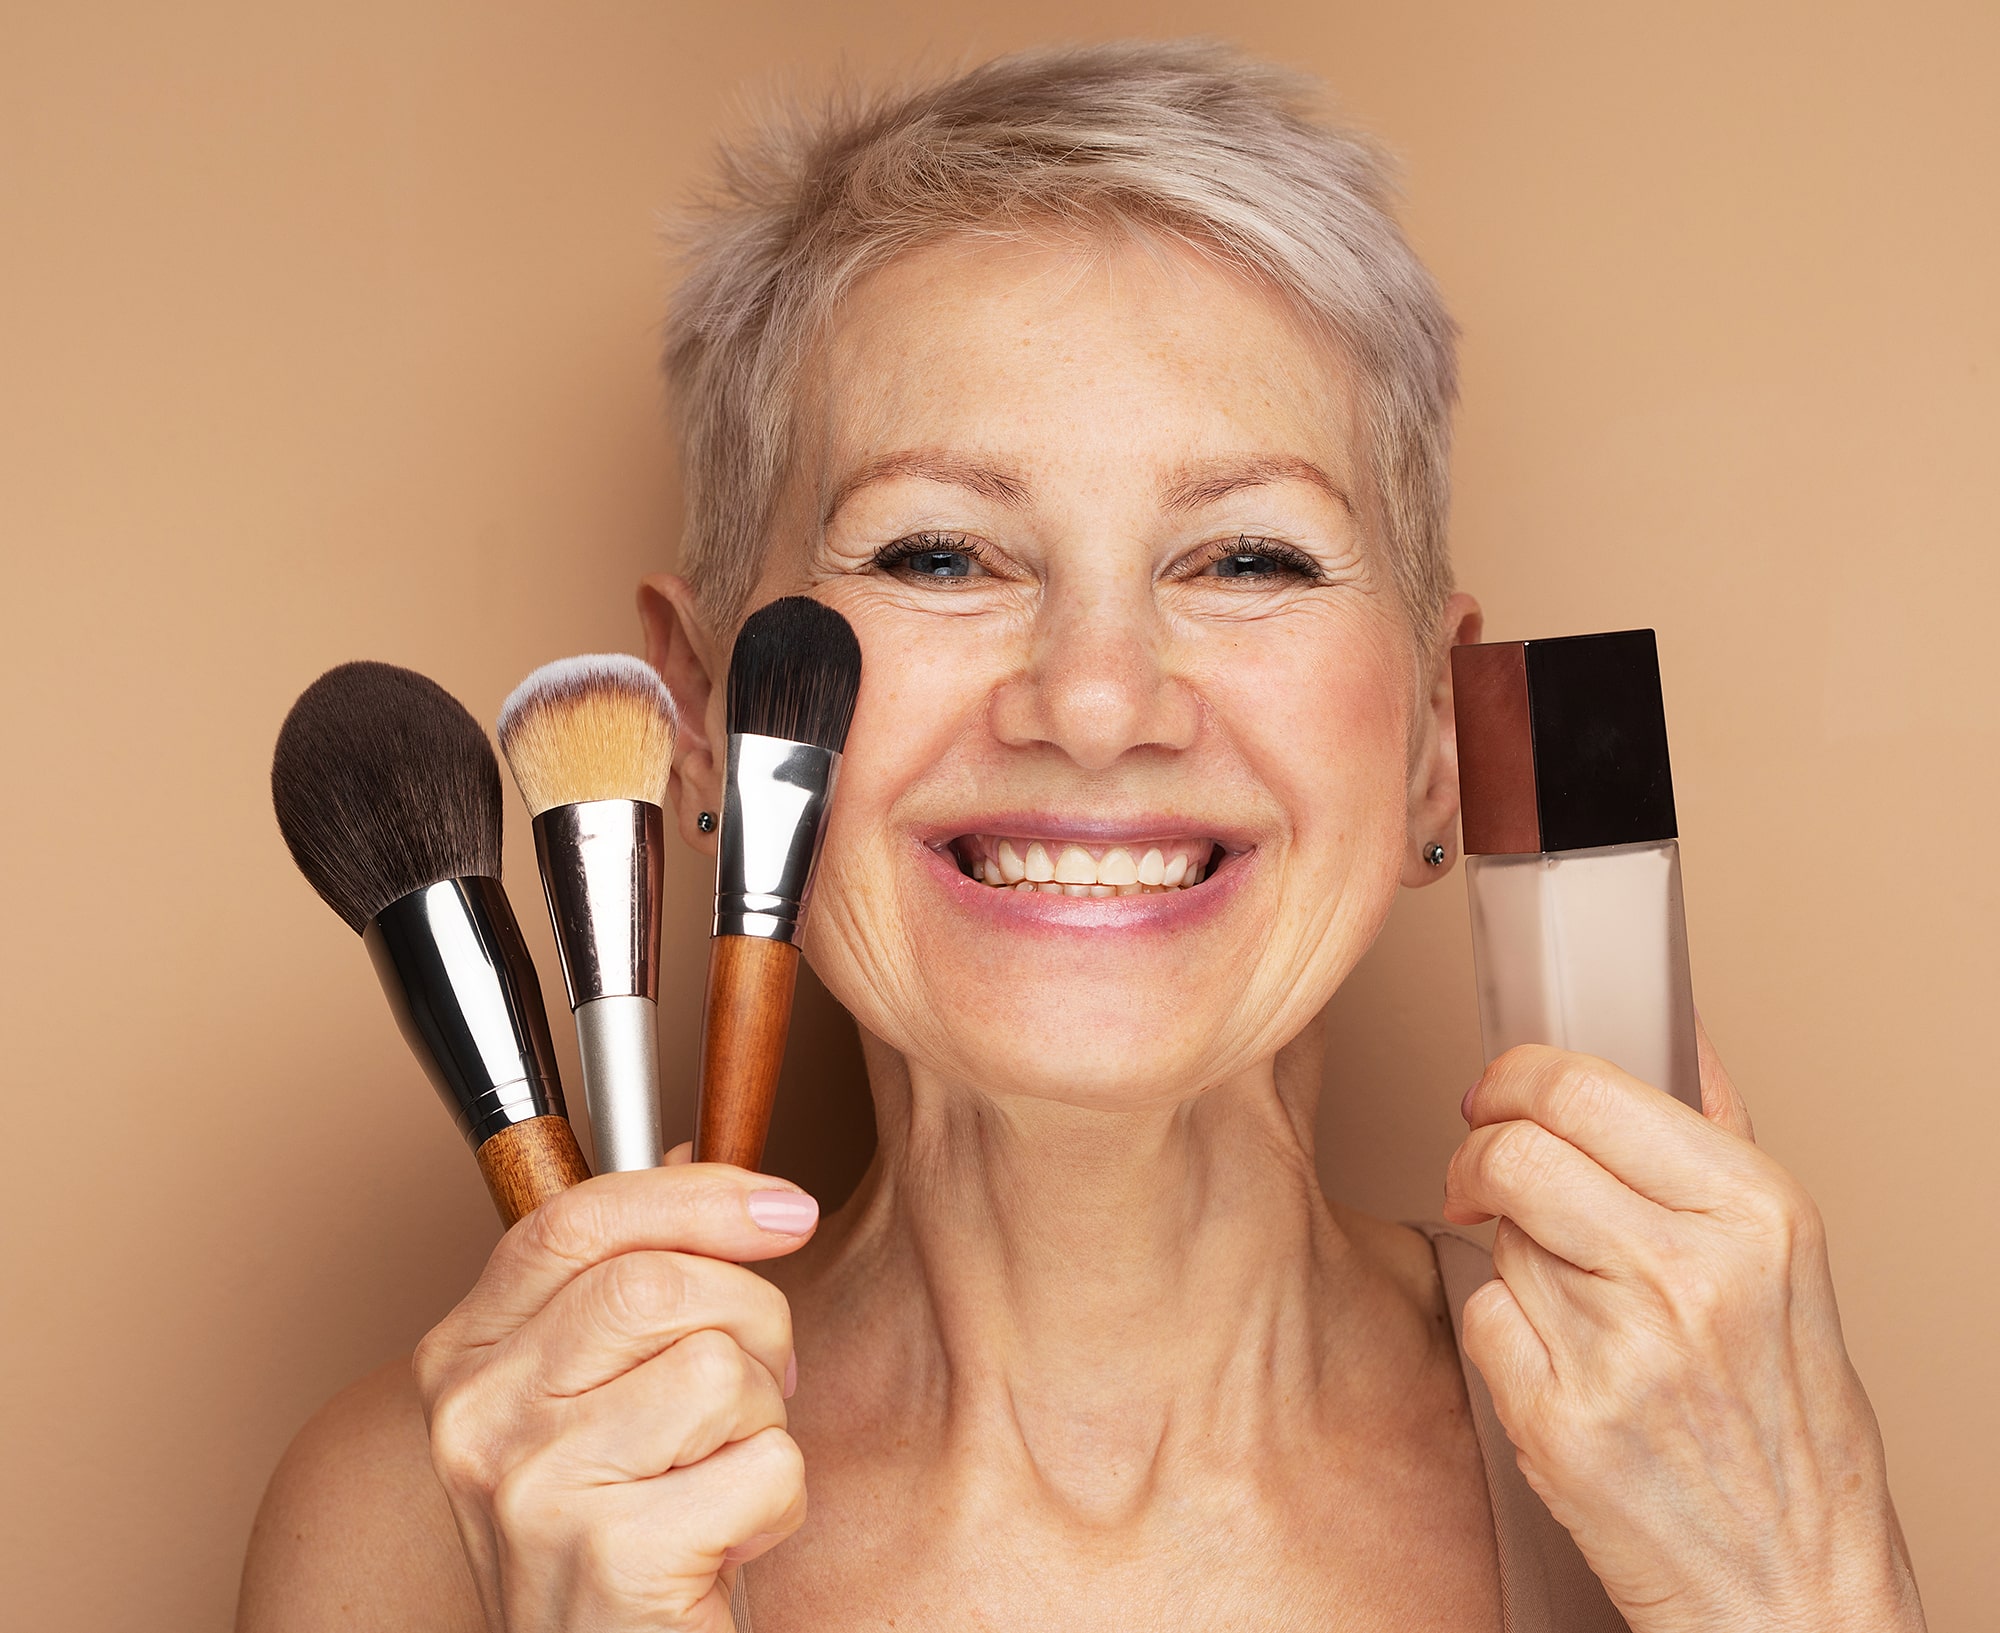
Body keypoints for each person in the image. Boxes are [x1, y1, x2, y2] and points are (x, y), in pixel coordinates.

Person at [236, 40, 1925, 1632]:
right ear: (699, 717)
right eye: (938, 555)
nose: (1099, 700)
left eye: (1248, 558)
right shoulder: (420, 1510)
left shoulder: (1716, 1440)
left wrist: (1804, 1578)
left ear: (1431, 740)